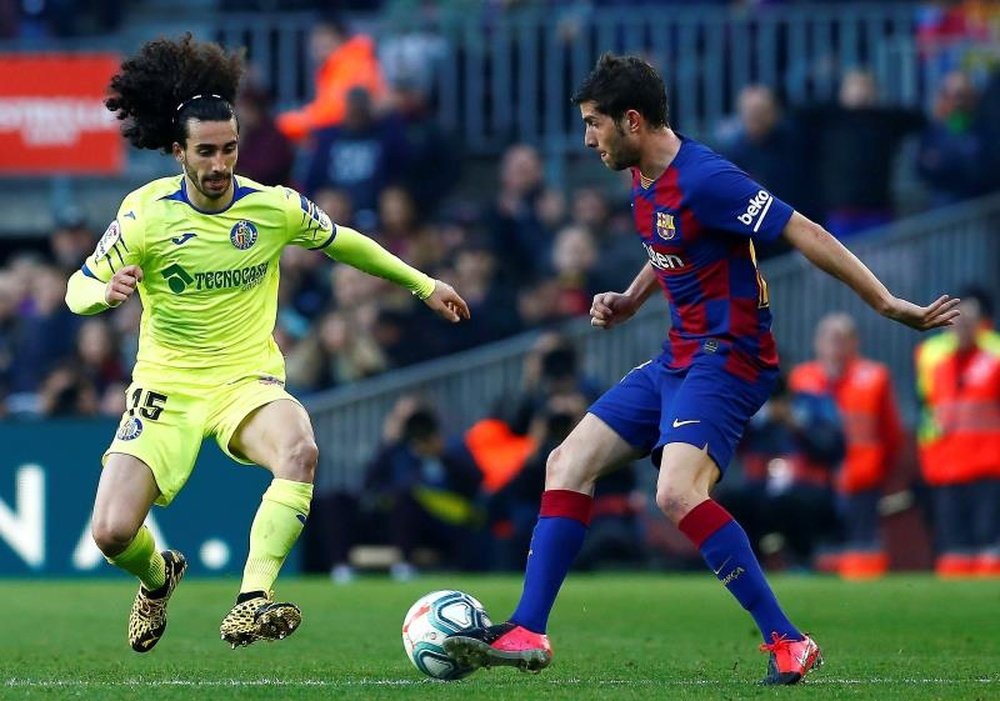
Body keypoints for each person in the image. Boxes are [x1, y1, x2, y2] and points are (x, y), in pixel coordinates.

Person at [442, 53, 959, 686]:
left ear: (631, 120)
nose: (587, 138)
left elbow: (806, 231)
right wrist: (634, 297)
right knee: (565, 463)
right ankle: (528, 628)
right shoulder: (641, 172)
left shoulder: (709, 178)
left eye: (593, 124)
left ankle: (787, 640)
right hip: (677, 356)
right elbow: (671, 244)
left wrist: (886, 303)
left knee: (676, 493)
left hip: (729, 357)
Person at [63, 35, 469, 653]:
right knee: (111, 532)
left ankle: (252, 600)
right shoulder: (144, 215)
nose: (220, 163)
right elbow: (77, 288)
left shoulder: (272, 208)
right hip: (165, 386)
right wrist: (107, 292)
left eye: (229, 148)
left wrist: (422, 283)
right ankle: (157, 577)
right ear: (178, 152)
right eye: (206, 151)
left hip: (246, 381)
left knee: (300, 451)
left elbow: (345, 241)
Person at [789, 313, 904, 578]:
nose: (835, 346)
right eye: (829, 339)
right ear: (817, 343)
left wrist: (880, 471)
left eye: (841, 339)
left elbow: (891, 433)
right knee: (818, 546)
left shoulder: (875, 377)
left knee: (861, 549)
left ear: (855, 342)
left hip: (861, 477)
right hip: (814, 481)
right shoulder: (801, 378)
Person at [915, 287, 1000, 577]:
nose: (962, 327)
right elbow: (931, 416)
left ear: (981, 324)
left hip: (988, 469)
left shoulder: (994, 359)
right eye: (958, 322)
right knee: (952, 548)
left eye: (969, 321)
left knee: (988, 543)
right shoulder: (935, 364)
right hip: (946, 469)